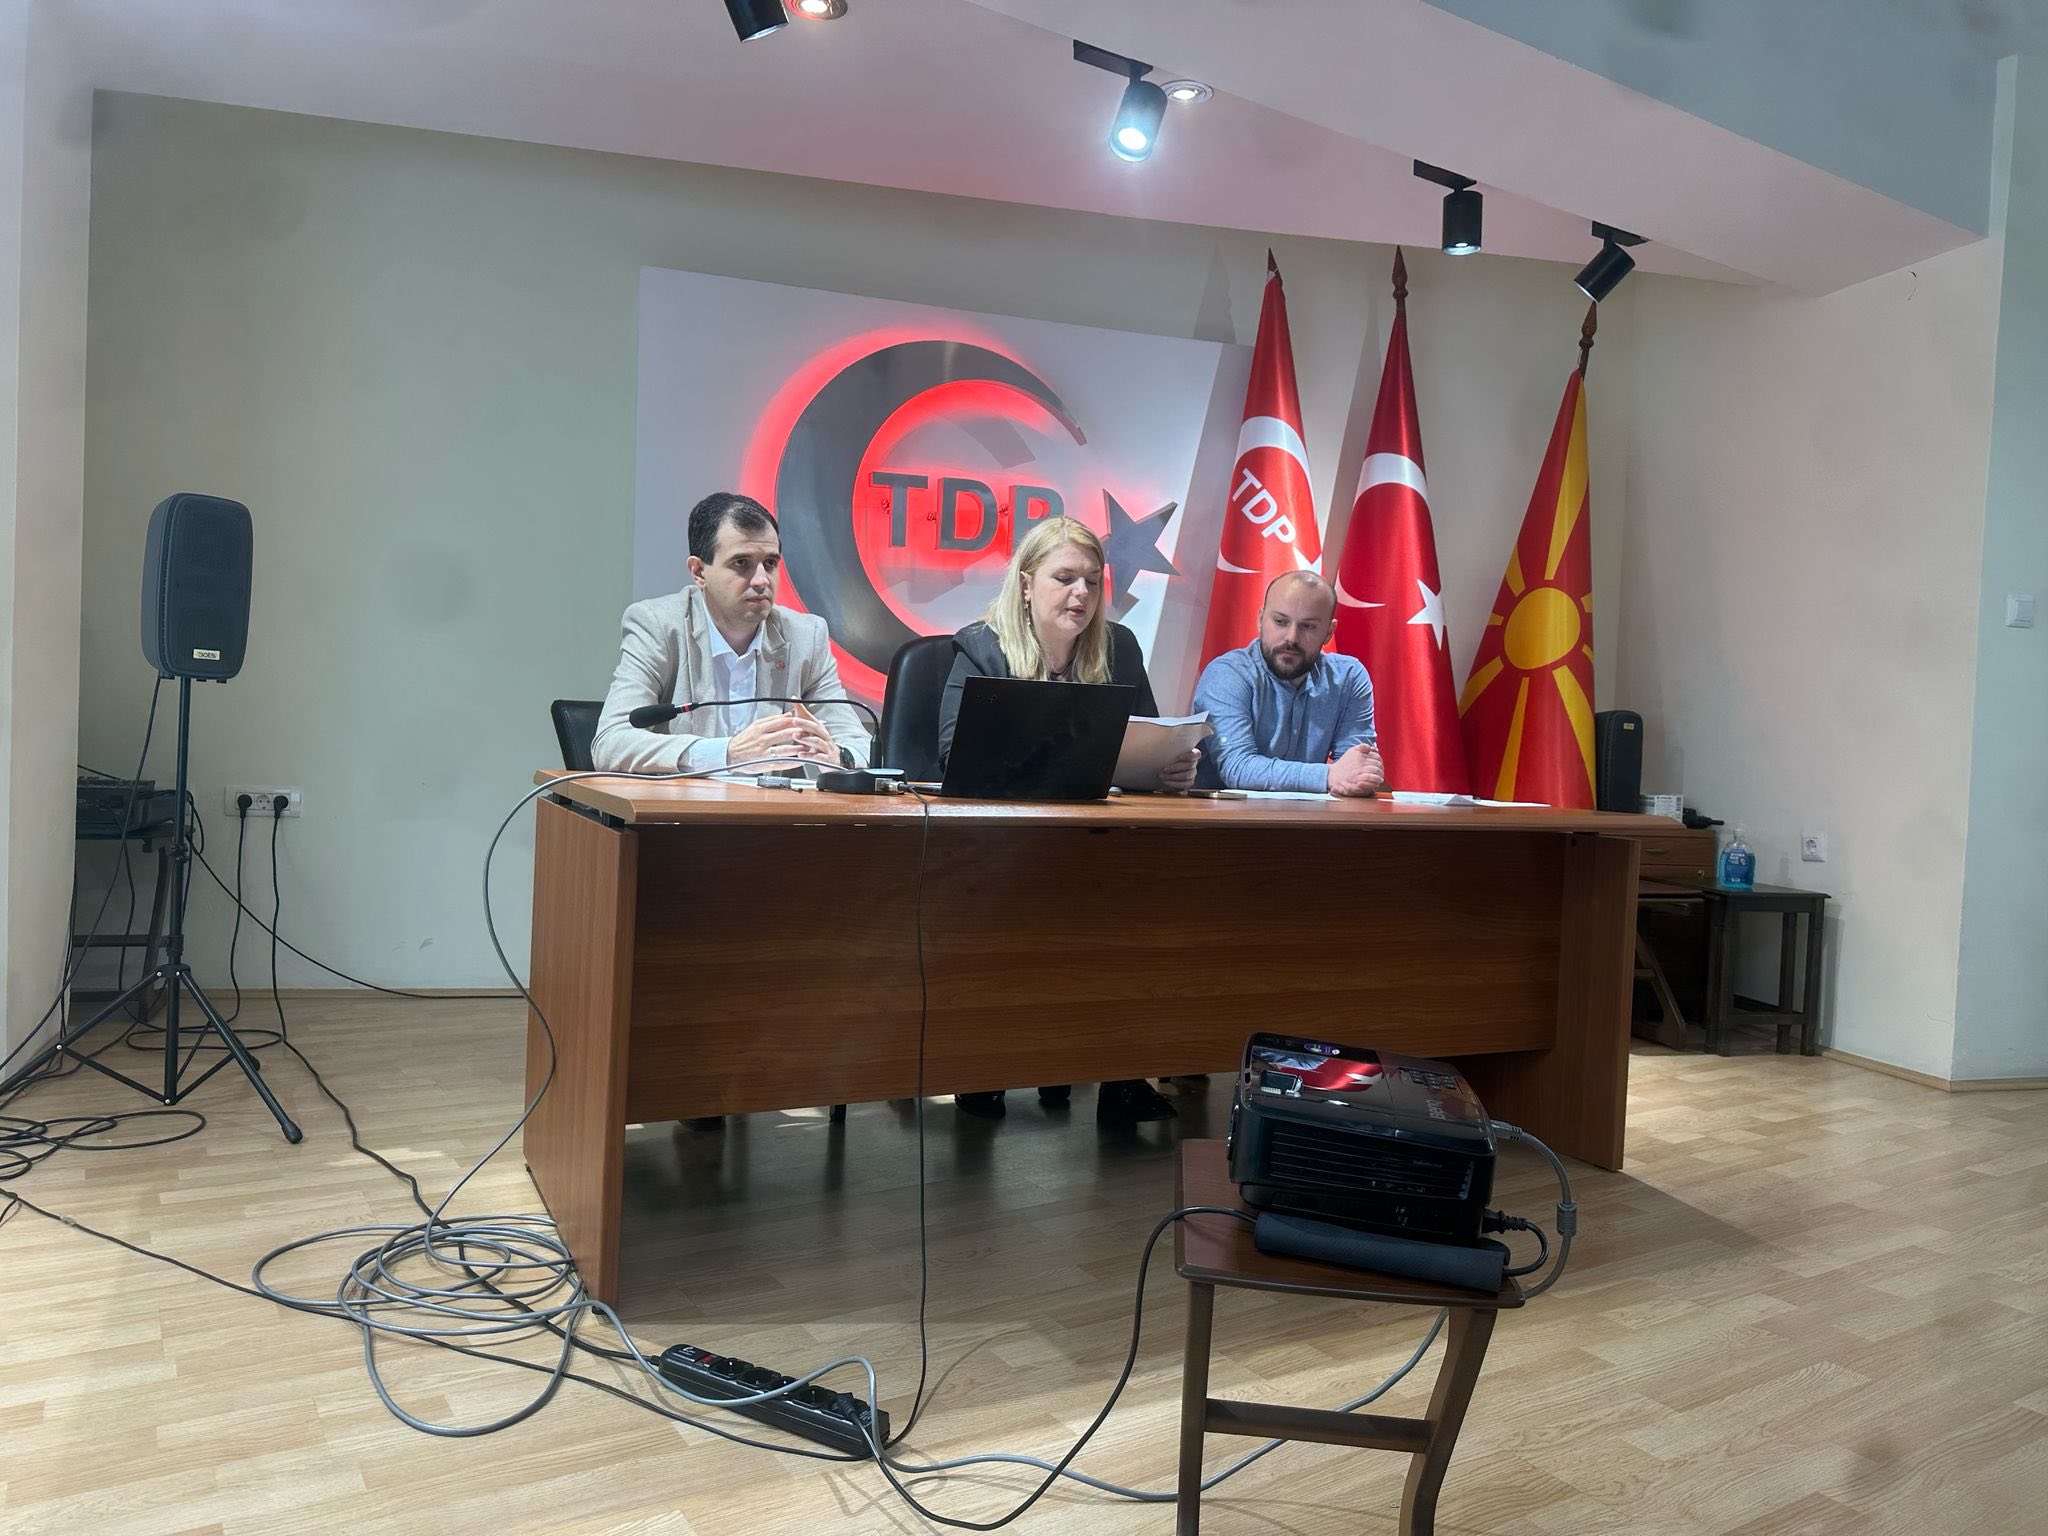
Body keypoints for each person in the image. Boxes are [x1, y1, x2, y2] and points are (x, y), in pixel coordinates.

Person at [936, 516, 1196, 1125]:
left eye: (1092, 581)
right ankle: (983, 1067)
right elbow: (953, 756)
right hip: (1002, 845)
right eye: (1064, 578)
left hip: (1092, 841)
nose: (1081, 593)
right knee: (1016, 913)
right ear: (1027, 584)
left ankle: (1123, 1077)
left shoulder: (1120, 647)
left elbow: (1145, 739)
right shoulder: (981, 646)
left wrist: (1169, 768)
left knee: (1147, 907)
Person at [592, 492, 870, 776]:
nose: (761, 580)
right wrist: (727, 753)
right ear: (699, 572)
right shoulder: (660, 626)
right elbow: (610, 743)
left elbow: (861, 745)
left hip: (768, 805)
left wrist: (839, 757)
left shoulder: (805, 637)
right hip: (680, 803)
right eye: (741, 563)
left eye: (770, 563)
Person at [1192, 571, 1384, 797]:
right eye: (1280, 622)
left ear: (1329, 632)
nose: (1291, 637)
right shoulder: (1227, 674)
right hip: (1222, 816)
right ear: (1260, 620)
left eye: (1308, 626)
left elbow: (1356, 768)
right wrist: (1328, 775)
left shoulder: (1349, 677)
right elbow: (1238, 768)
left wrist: (1360, 775)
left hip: (1312, 816)